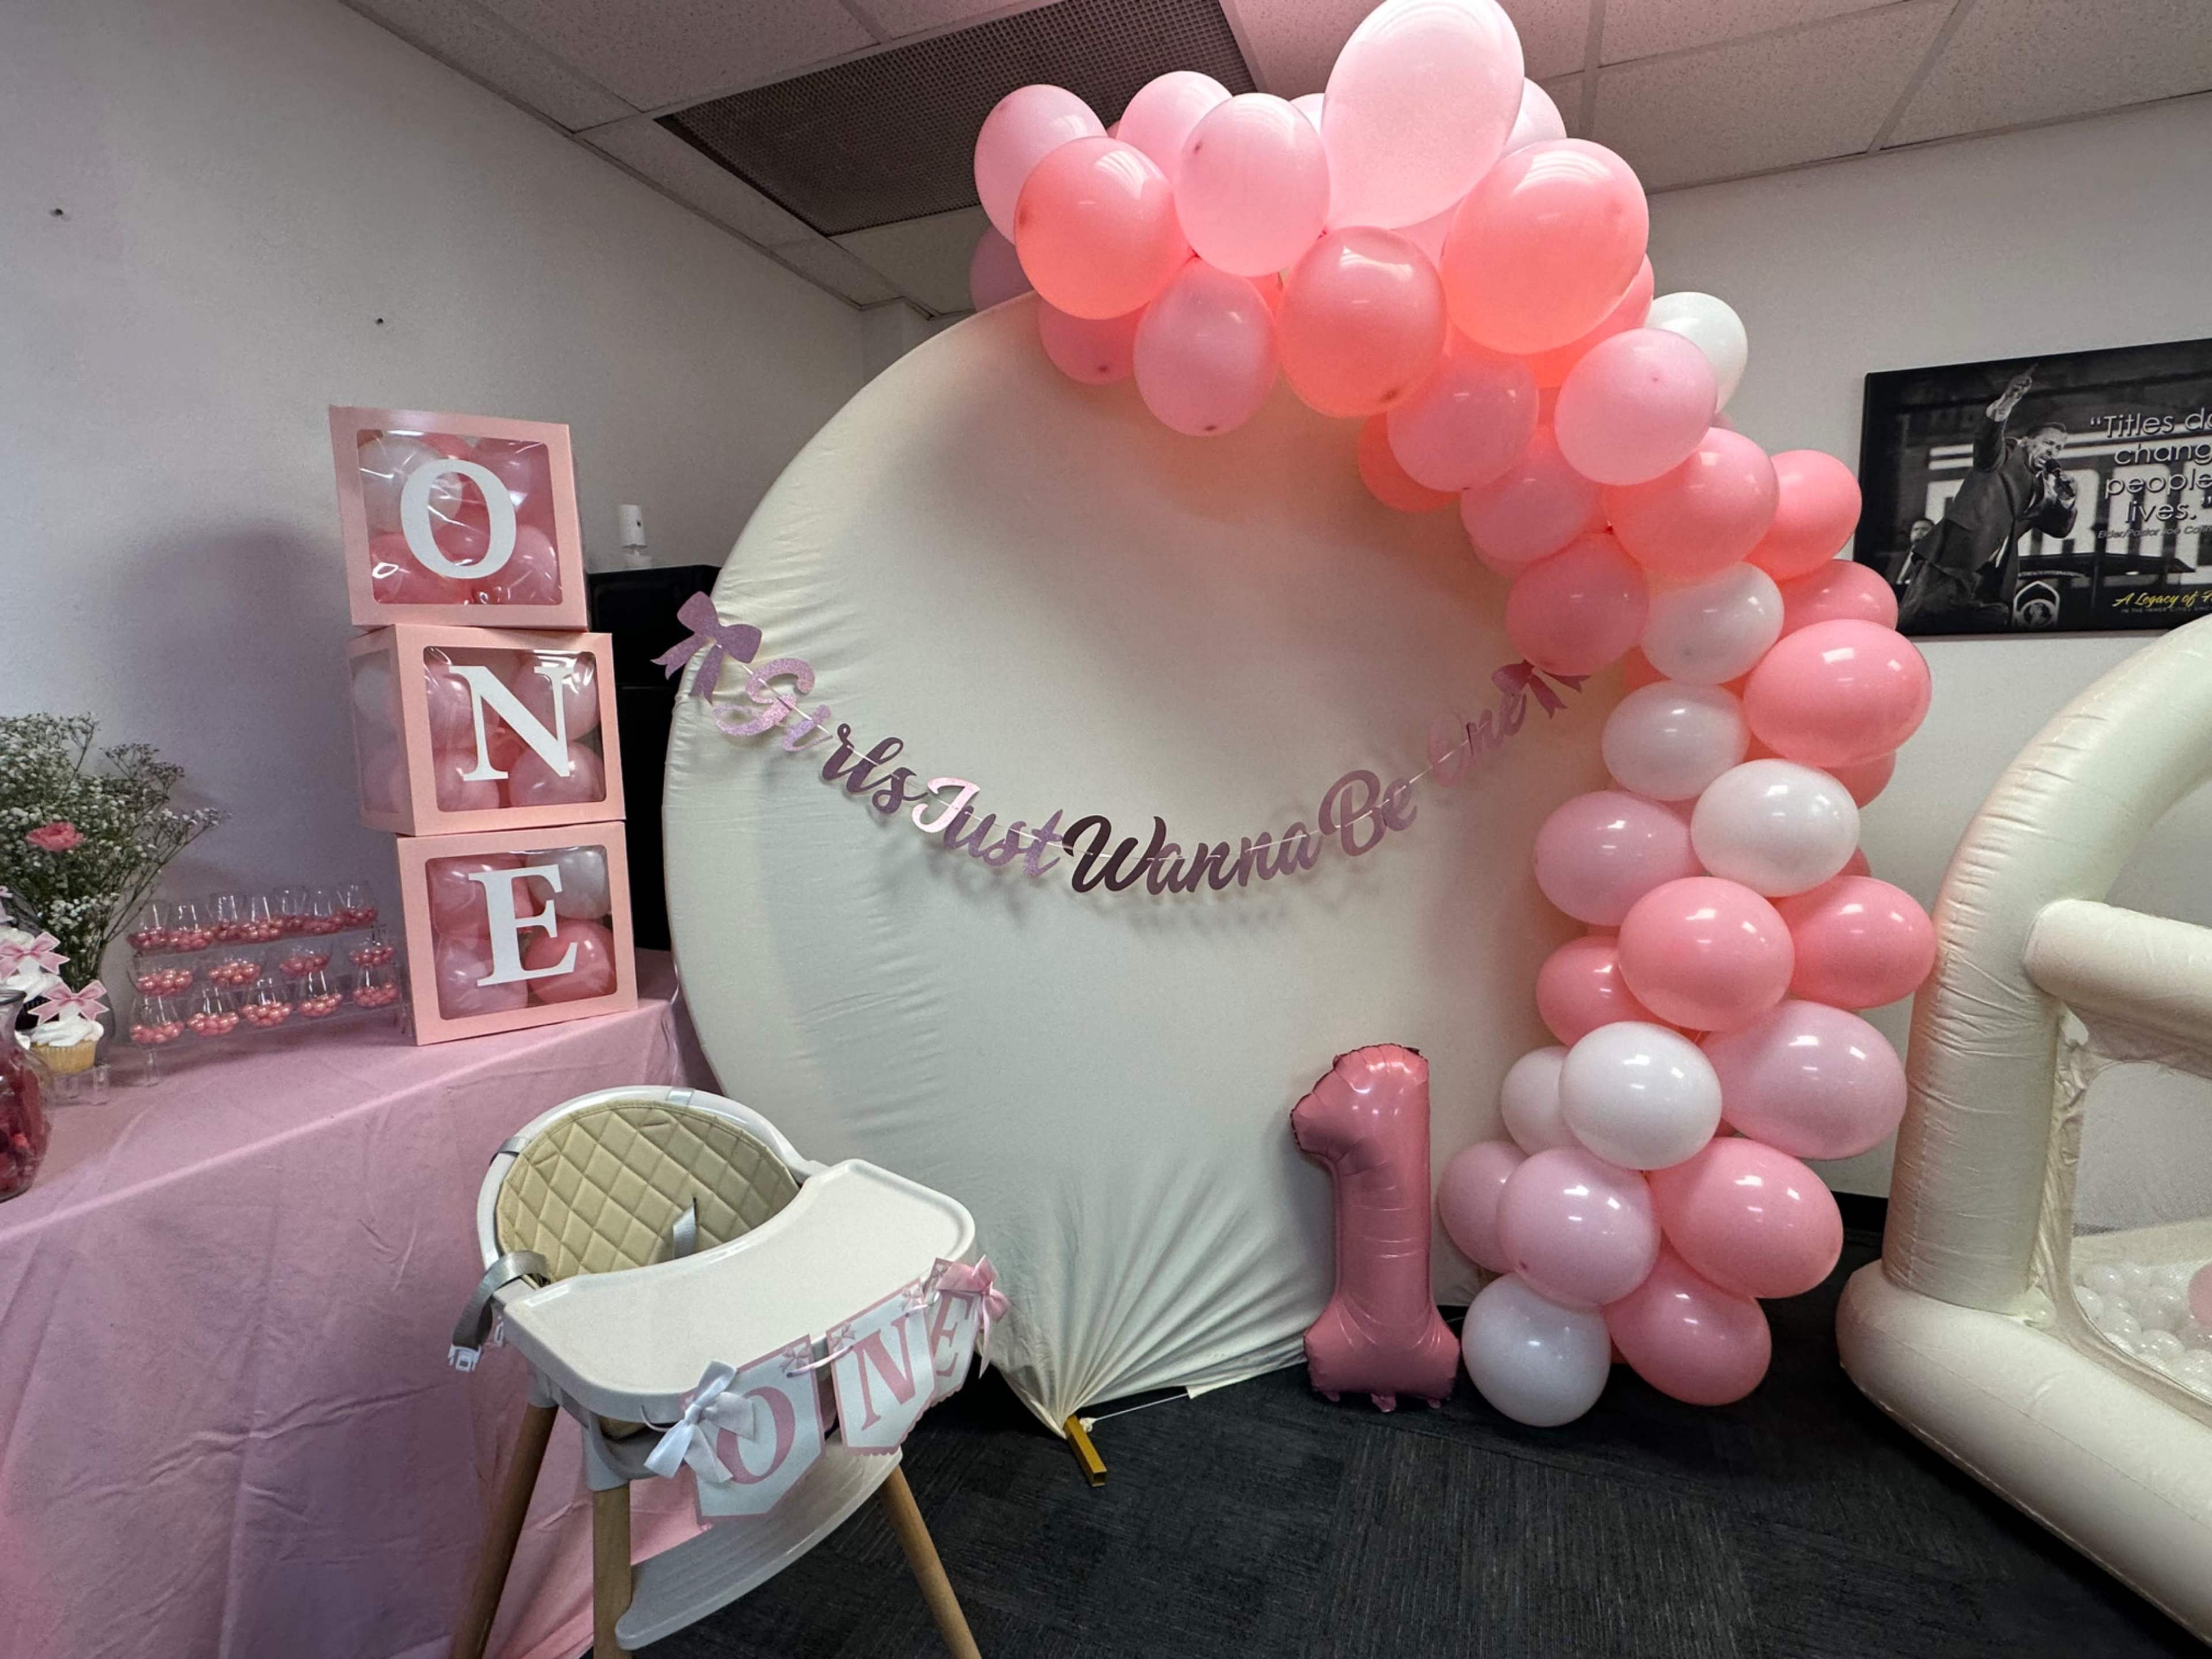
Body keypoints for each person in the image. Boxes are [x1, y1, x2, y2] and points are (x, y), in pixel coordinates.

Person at [1897, 369, 2078, 631]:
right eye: (2048, 443)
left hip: (1993, 584)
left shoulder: (2044, 490)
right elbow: (1988, 438)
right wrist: (2007, 401)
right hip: (1952, 565)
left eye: (2059, 448)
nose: (2053, 452)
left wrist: (2067, 501)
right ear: (2027, 441)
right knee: (1917, 629)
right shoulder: (2004, 456)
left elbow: (2060, 529)